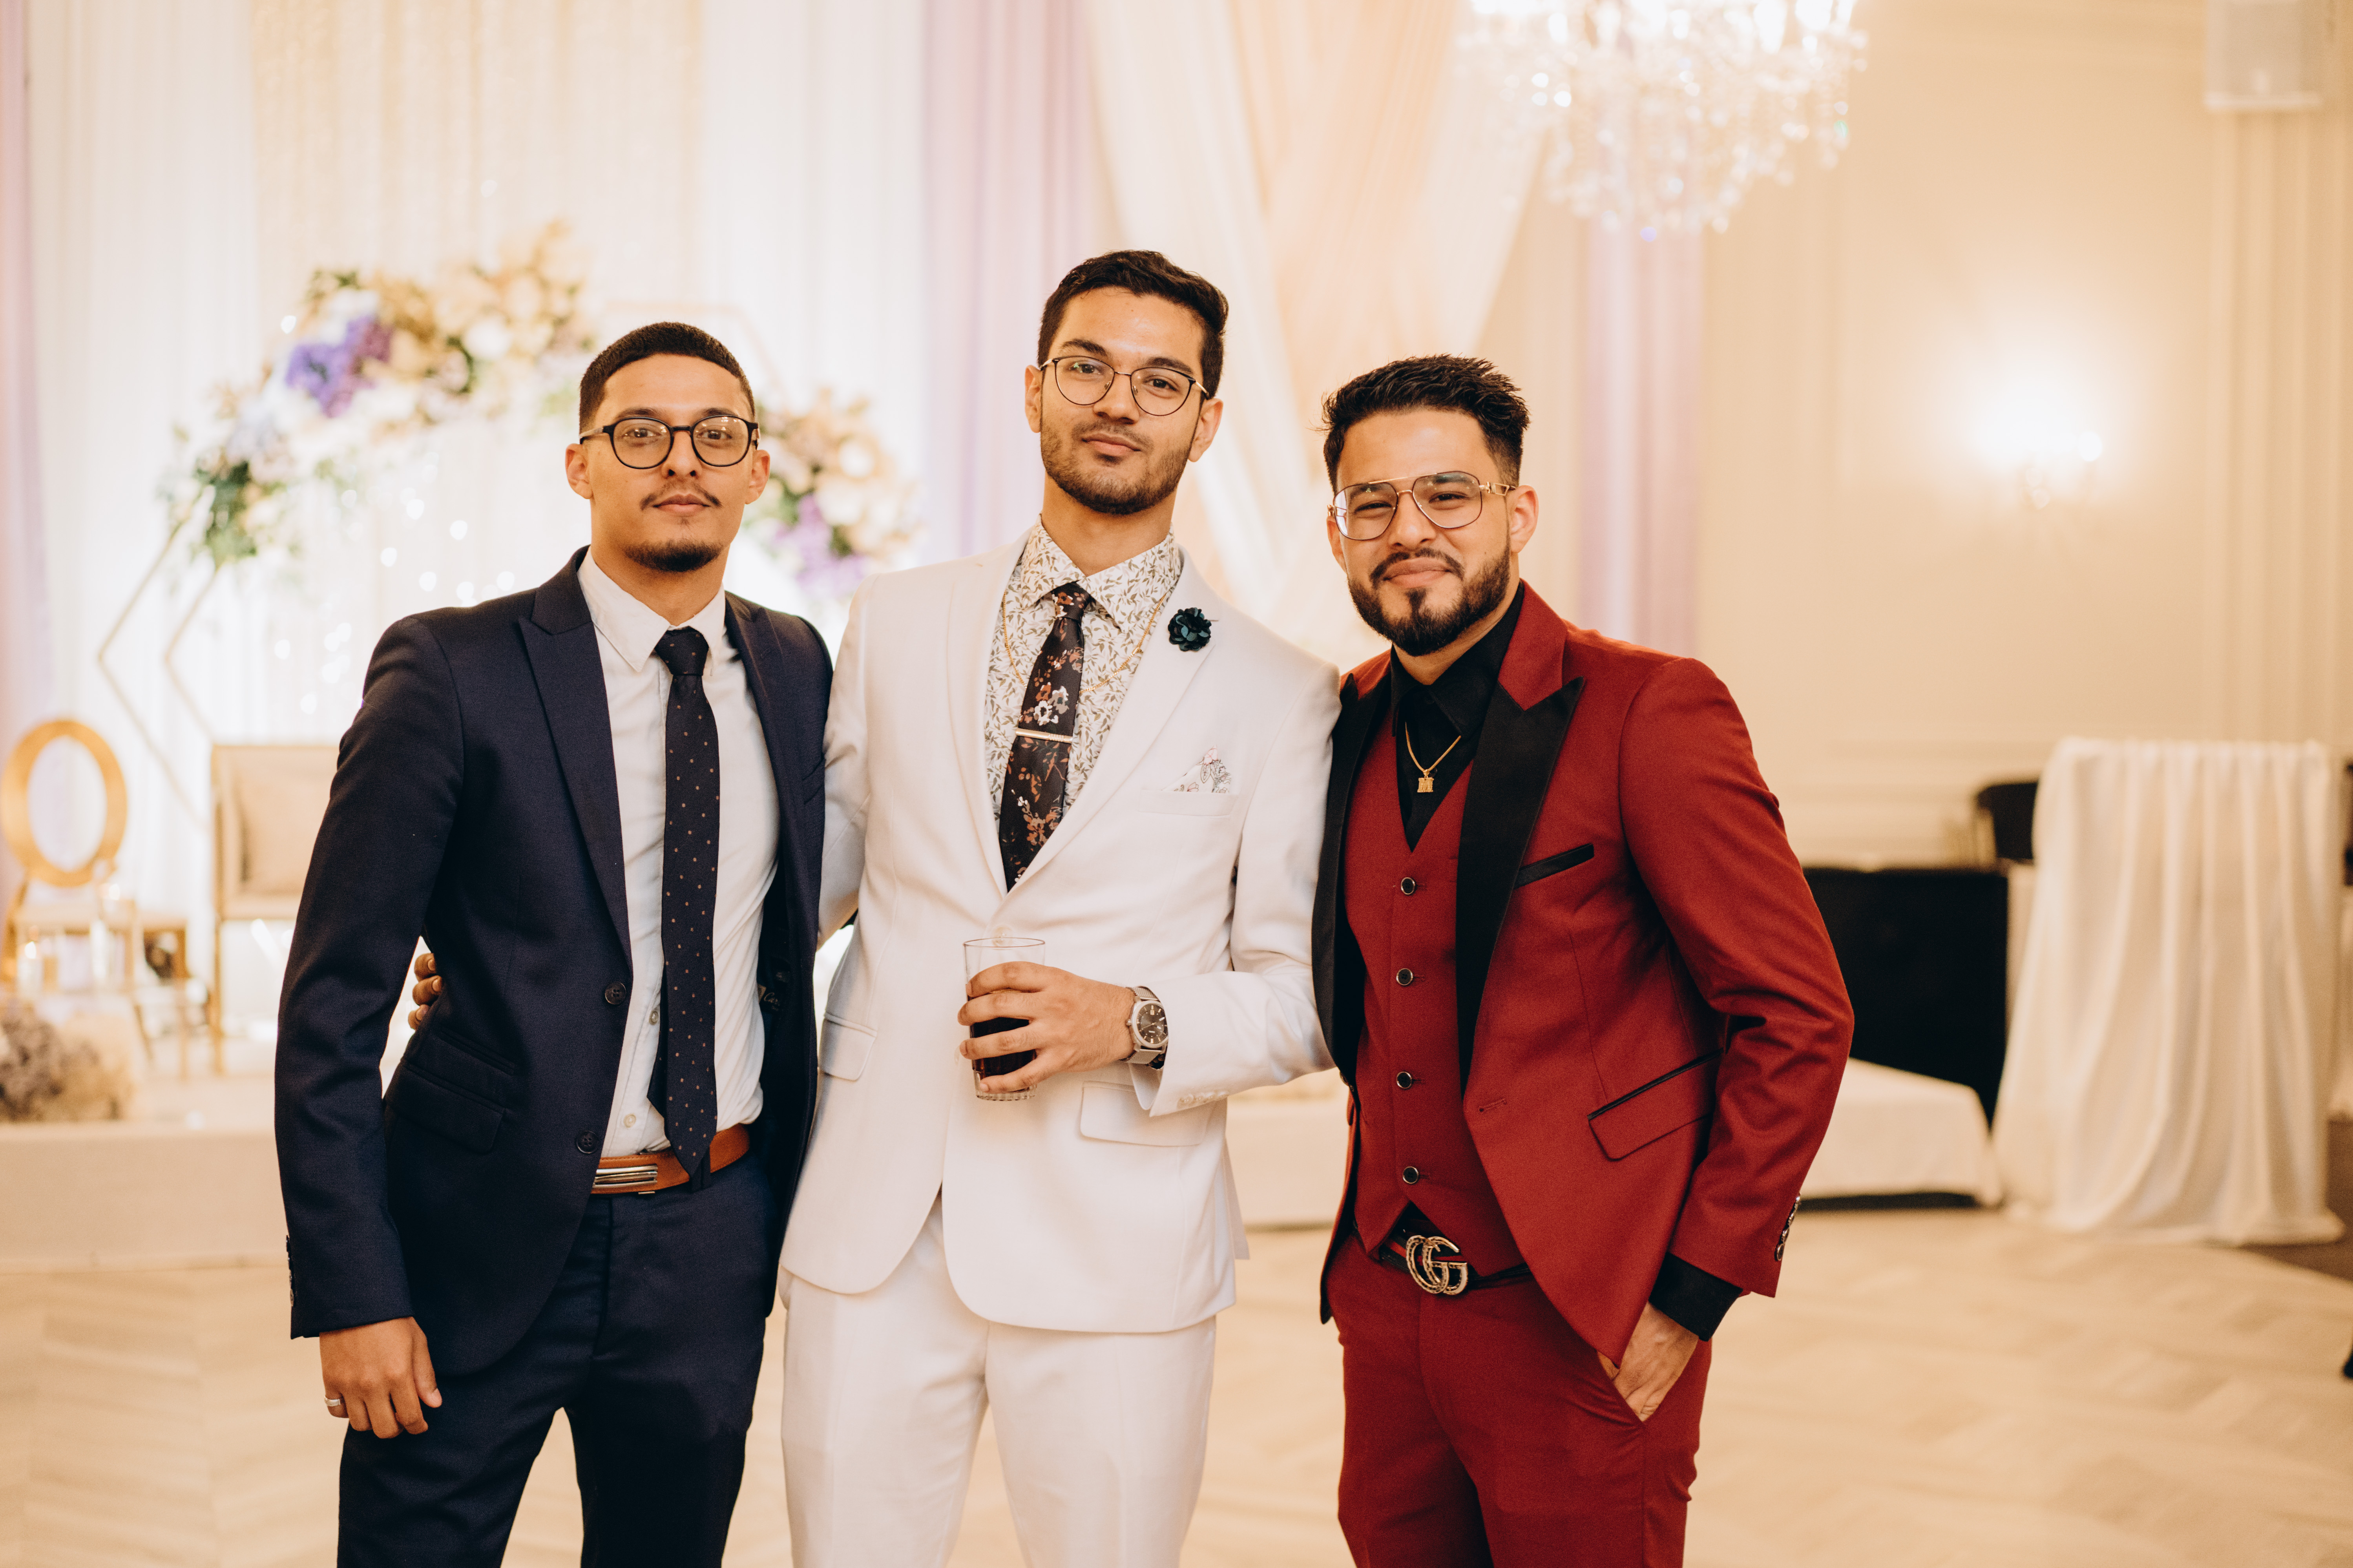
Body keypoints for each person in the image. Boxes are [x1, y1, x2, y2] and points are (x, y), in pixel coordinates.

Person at [781, 250, 1336, 1566]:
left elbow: (1306, 994)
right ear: (1033, 389)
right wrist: (556, 961)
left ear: (1206, 421)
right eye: (1087, 366)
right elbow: (794, 889)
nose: (1117, 401)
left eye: (1160, 380)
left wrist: (1132, 1019)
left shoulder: (1281, 690)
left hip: (1119, 1248)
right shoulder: (893, 620)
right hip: (873, 1221)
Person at [275, 321, 831, 1567]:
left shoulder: (797, 665)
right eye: (641, 432)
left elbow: (805, 903)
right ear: (580, 464)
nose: (680, 459)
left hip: (708, 1235)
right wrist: (356, 1289)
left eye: (716, 434)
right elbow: (329, 1007)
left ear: (755, 470)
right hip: (476, 1234)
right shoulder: (452, 669)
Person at [1310, 355, 1852, 1566]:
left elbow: (1796, 1014)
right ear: (1337, 531)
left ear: (1518, 511)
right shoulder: (1339, 720)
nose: (1409, 530)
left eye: (1447, 495)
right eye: (1372, 502)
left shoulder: (1650, 709)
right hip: (1387, 1307)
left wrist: (1692, 1292)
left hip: (1583, 1319)